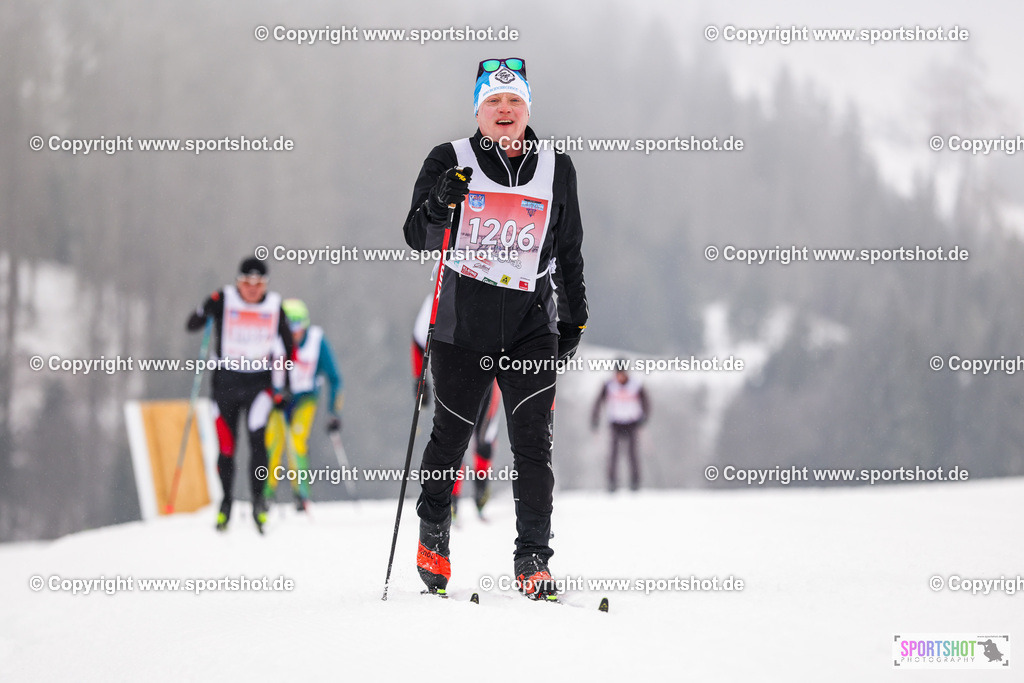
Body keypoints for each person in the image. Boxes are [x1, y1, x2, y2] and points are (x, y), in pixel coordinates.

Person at [402, 57, 588, 600]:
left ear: (528, 108)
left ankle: (533, 556)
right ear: (478, 111)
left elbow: (570, 253)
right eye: (493, 102)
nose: (504, 111)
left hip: (533, 325)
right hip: (464, 329)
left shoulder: (558, 167)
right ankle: (434, 530)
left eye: (514, 102)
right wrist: (441, 201)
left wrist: (573, 317)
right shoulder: (449, 159)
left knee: (533, 445)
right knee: (451, 438)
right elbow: (417, 235)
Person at [186, 256, 295, 533]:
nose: (252, 289)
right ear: (239, 282)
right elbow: (193, 323)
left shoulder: (274, 306)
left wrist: (286, 387)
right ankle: (226, 502)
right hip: (226, 382)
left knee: (258, 441)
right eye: (247, 283)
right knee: (226, 447)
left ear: (265, 285)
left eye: (258, 284)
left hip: (259, 384)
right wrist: (205, 306)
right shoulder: (224, 299)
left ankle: (258, 501)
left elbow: (289, 346)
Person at [411, 293, 501, 522]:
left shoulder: (492, 285)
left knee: (485, 437)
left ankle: (481, 492)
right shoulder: (436, 296)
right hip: (453, 375)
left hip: (490, 375)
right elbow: (419, 340)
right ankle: (452, 499)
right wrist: (419, 379)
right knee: (453, 437)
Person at [264, 298, 344, 511]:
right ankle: (266, 494)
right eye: (288, 327)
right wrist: (273, 395)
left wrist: (333, 412)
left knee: (296, 440)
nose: (293, 332)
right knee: (273, 441)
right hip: (279, 400)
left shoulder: (317, 340)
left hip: (305, 399)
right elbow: (262, 374)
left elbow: (335, 378)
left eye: (298, 326)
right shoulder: (273, 340)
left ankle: (301, 494)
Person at [591, 366, 649, 492]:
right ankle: (612, 483)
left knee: (632, 453)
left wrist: (644, 417)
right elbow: (598, 402)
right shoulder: (609, 385)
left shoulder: (636, 384)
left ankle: (635, 482)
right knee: (613, 454)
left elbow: (645, 401)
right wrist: (595, 419)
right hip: (615, 422)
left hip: (632, 422)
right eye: (617, 374)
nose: (619, 377)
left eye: (621, 374)